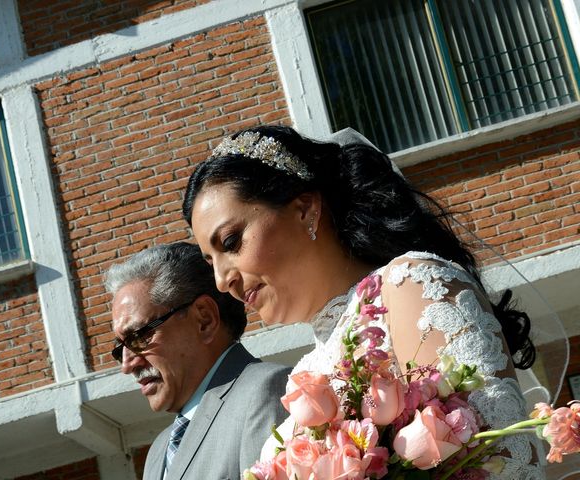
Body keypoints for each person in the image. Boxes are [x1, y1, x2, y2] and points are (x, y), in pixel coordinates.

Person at [182, 126, 545, 478]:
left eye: (230, 243)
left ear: (305, 208)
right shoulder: (305, 377)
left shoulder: (410, 285)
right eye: (210, 262)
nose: (222, 280)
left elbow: (506, 465)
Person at [104, 242, 290, 480]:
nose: (127, 364)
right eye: (120, 347)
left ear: (204, 319)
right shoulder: (158, 452)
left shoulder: (267, 392)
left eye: (139, 335)